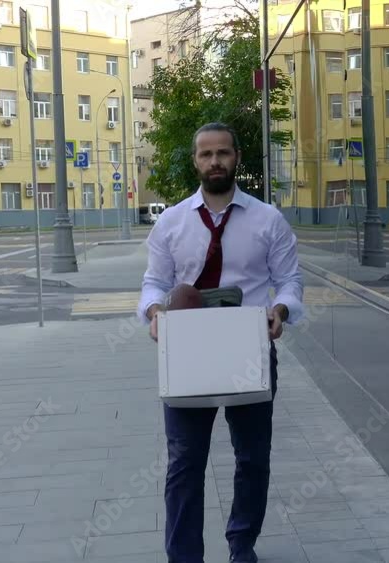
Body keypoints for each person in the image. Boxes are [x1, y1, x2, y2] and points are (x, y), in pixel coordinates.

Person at [137, 122, 304, 563]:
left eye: (223, 153)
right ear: (195, 161)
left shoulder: (268, 220)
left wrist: (280, 311)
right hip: (189, 352)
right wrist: (155, 314)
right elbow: (153, 283)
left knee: (252, 460)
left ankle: (241, 545)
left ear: (237, 158)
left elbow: (289, 281)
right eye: (206, 154)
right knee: (184, 464)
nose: (215, 162)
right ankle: (185, 556)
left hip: (249, 348)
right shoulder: (172, 222)